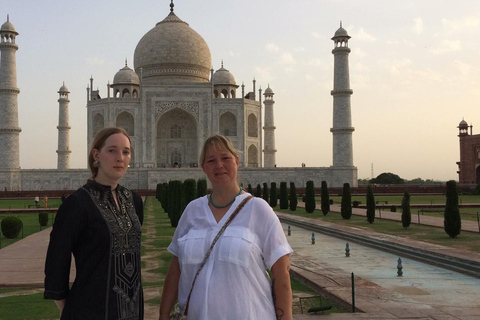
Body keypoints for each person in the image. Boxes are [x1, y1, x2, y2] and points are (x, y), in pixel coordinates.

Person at [159, 134, 293, 320]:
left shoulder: (258, 209)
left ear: (236, 161)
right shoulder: (193, 211)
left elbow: (281, 272)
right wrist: (164, 315)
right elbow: (176, 269)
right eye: (211, 160)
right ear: (203, 167)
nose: (219, 165)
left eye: (225, 158)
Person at [44, 127, 144, 319]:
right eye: (112, 150)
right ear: (96, 155)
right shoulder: (78, 203)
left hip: (131, 310)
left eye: (126, 151)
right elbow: (57, 262)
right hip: (89, 310)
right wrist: (72, 310)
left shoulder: (133, 201)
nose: (120, 158)